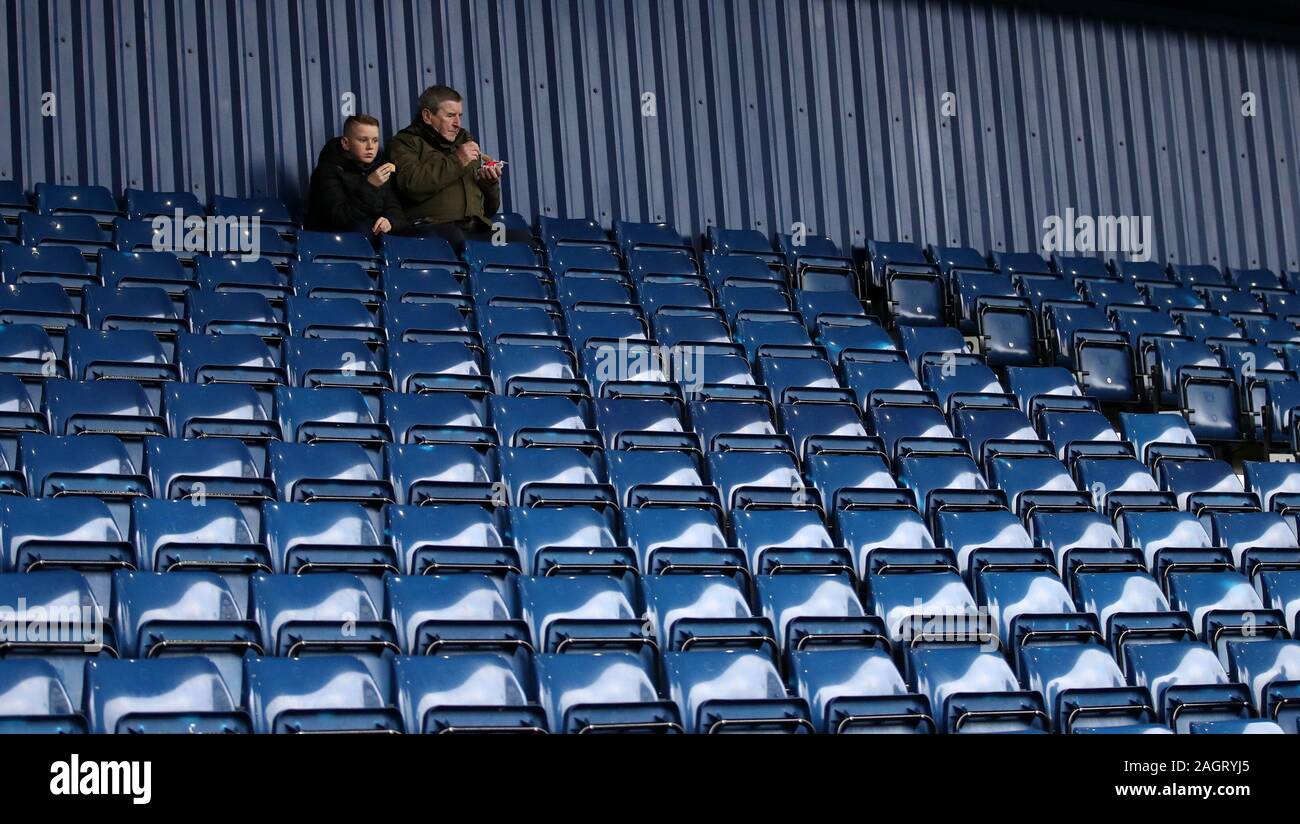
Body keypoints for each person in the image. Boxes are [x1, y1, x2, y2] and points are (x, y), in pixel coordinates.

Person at [389, 85, 531, 248]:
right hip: (431, 230)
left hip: (475, 230)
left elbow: (489, 210)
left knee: (525, 241)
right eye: (450, 115)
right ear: (428, 116)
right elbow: (411, 186)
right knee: (456, 238)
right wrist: (457, 160)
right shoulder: (405, 143)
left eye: (459, 116)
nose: (457, 123)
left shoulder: (466, 142)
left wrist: (489, 184)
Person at [306, 114, 408, 238]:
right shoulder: (327, 171)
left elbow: (396, 212)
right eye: (363, 140)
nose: (370, 147)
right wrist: (370, 186)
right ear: (345, 143)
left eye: (375, 140)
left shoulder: (378, 169)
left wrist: (389, 221)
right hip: (336, 244)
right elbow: (337, 218)